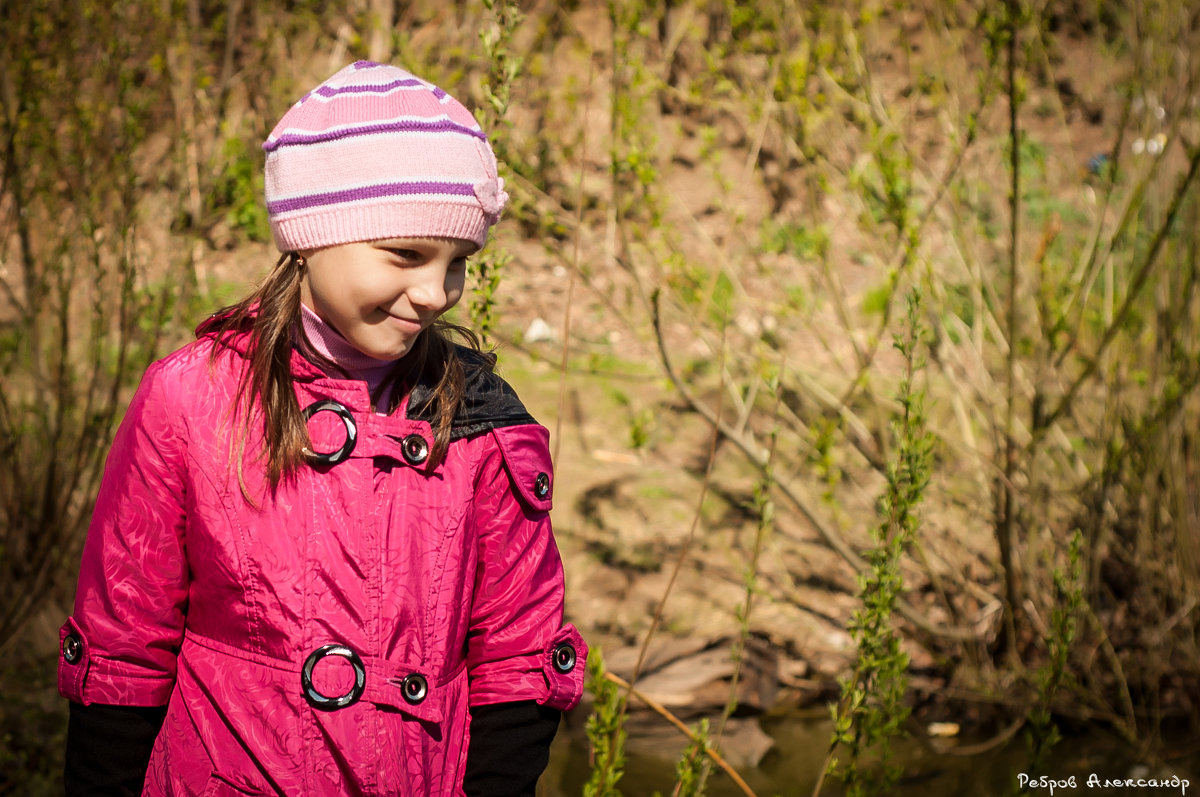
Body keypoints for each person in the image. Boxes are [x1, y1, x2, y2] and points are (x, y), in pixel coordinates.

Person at [58, 60, 587, 796]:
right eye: (405, 254)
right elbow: (124, 639)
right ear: (310, 235)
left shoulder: (477, 416)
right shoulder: (190, 398)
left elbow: (517, 649)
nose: (437, 293)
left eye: (457, 263)